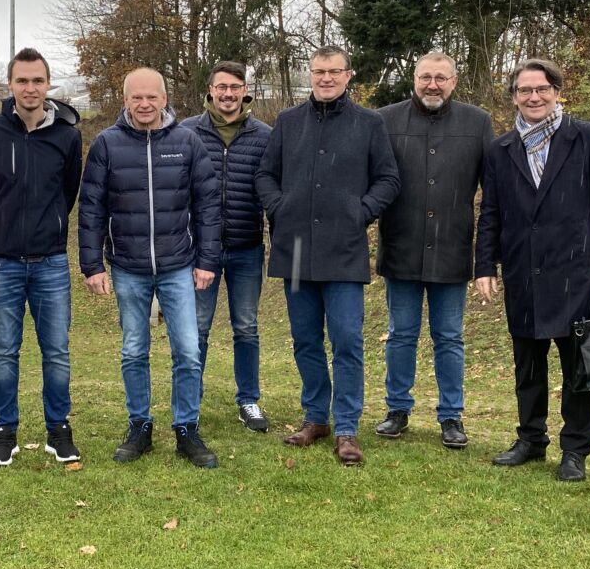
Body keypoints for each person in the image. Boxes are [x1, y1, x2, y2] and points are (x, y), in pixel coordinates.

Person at [475, 57, 590, 483]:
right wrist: (485, 264)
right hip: (524, 274)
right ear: (514, 97)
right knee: (528, 366)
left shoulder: (588, 138)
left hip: (579, 274)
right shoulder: (501, 149)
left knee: (579, 367)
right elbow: (491, 213)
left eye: (542, 89)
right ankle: (530, 439)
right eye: (525, 90)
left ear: (557, 91)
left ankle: (574, 451)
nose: (534, 97)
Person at [255, 45, 400, 466]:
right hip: (296, 252)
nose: (326, 79)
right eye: (319, 71)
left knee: (347, 340)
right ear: (311, 74)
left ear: (348, 75)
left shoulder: (369, 123)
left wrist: (360, 212)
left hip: (344, 252)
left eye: (335, 72)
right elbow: (265, 174)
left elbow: (388, 180)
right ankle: (315, 417)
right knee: (305, 339)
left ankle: (347, 427)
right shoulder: (287, 122)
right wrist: (279, 208)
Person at [78, 68, 222, 468]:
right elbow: (90, 208)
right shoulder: (106, 145)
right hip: (127, 267)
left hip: (179, 265)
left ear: (164, 98)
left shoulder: (187, 142)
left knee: (189, 352)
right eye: (136, 98)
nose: (144, 104)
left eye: (151, 97)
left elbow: (208, 205)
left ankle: (186, 428)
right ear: (125, 100)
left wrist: (207, 259)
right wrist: (92, 264)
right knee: (133, 350)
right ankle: (139, 425)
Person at [0, 47, 83, 467]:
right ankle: (4, 432)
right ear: (10, 85)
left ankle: (58, 430)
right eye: (22, 80)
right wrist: (4, 224)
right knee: (4, 350)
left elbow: (68, 193)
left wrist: (46, 225)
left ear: (48, 84)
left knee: (56, 351)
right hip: (2, 263)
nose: (30, 88)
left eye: (38, 80)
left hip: (50, 261)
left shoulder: (68, 137)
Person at [375, 52, 493, 449]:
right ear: (414, 78)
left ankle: (451, 416)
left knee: (449, 337)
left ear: (454, 82)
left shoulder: (477, 123)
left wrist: (486, 257)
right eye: (426, 77)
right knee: (401, 335)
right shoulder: (385, 120)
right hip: (401, 246)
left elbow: (492, 193)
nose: (432, 85)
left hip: (452, 248)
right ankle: (397, 410)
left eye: (441, 78)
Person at [179, 60, 272, 432]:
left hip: (246, 247)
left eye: (235, 87)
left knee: (246, 327)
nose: (228, 94)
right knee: (196, 328)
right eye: (222, 87)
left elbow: (273, 191)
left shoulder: (264, 135)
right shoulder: (186, 132)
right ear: (211, 90)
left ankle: (248, 400)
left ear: (244, 90)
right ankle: (190, 401)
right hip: (200, 251)